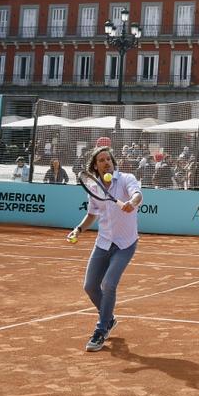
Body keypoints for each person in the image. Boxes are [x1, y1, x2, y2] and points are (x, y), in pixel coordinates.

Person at [66, 143, 143, 352]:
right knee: (90, 286)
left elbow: (138, 195)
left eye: (108, 159)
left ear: (113, 162)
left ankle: (101, 330)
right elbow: (92, 214)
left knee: (108, 284)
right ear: (95, 166)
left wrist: (132, 203)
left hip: (125, 244)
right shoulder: (93, 188)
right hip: (103, 242)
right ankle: (108, 318)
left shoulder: (127, 179)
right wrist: (78, 230)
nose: (106, 163)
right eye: (101, 160)